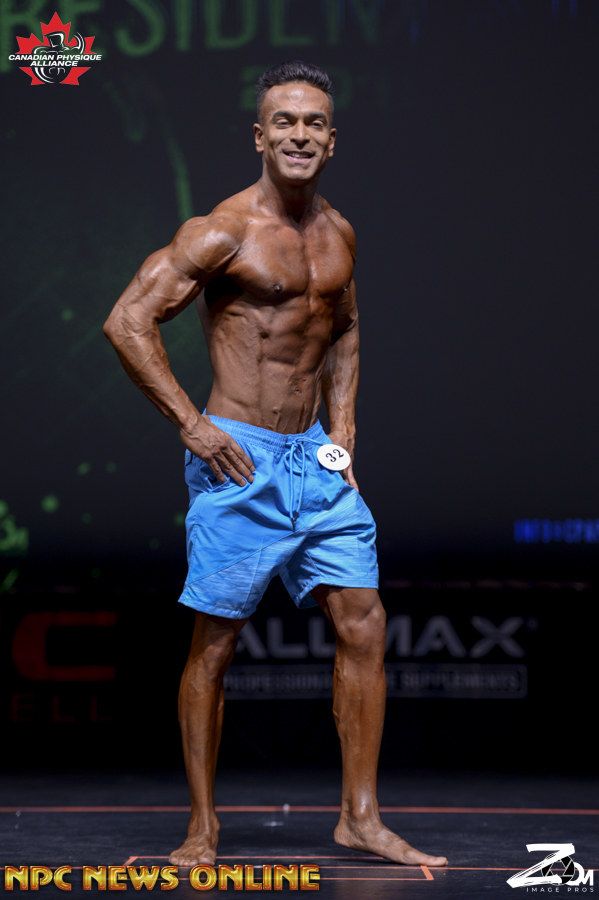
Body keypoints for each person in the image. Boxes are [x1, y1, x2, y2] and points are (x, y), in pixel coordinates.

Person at [103, 60, 447, 869]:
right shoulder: (221, 230)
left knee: (363, 621)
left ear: (332, 140)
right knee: (215, 645)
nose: (299, 135)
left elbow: (344, 327)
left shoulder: (339, 233)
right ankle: (202, 828)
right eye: (284, 122)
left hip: (314, 461)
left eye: (313, 123)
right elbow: (127, 321)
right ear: (259, 136)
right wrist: (192, 425)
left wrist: (344, 430)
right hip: (239, 457)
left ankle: (359, 817)